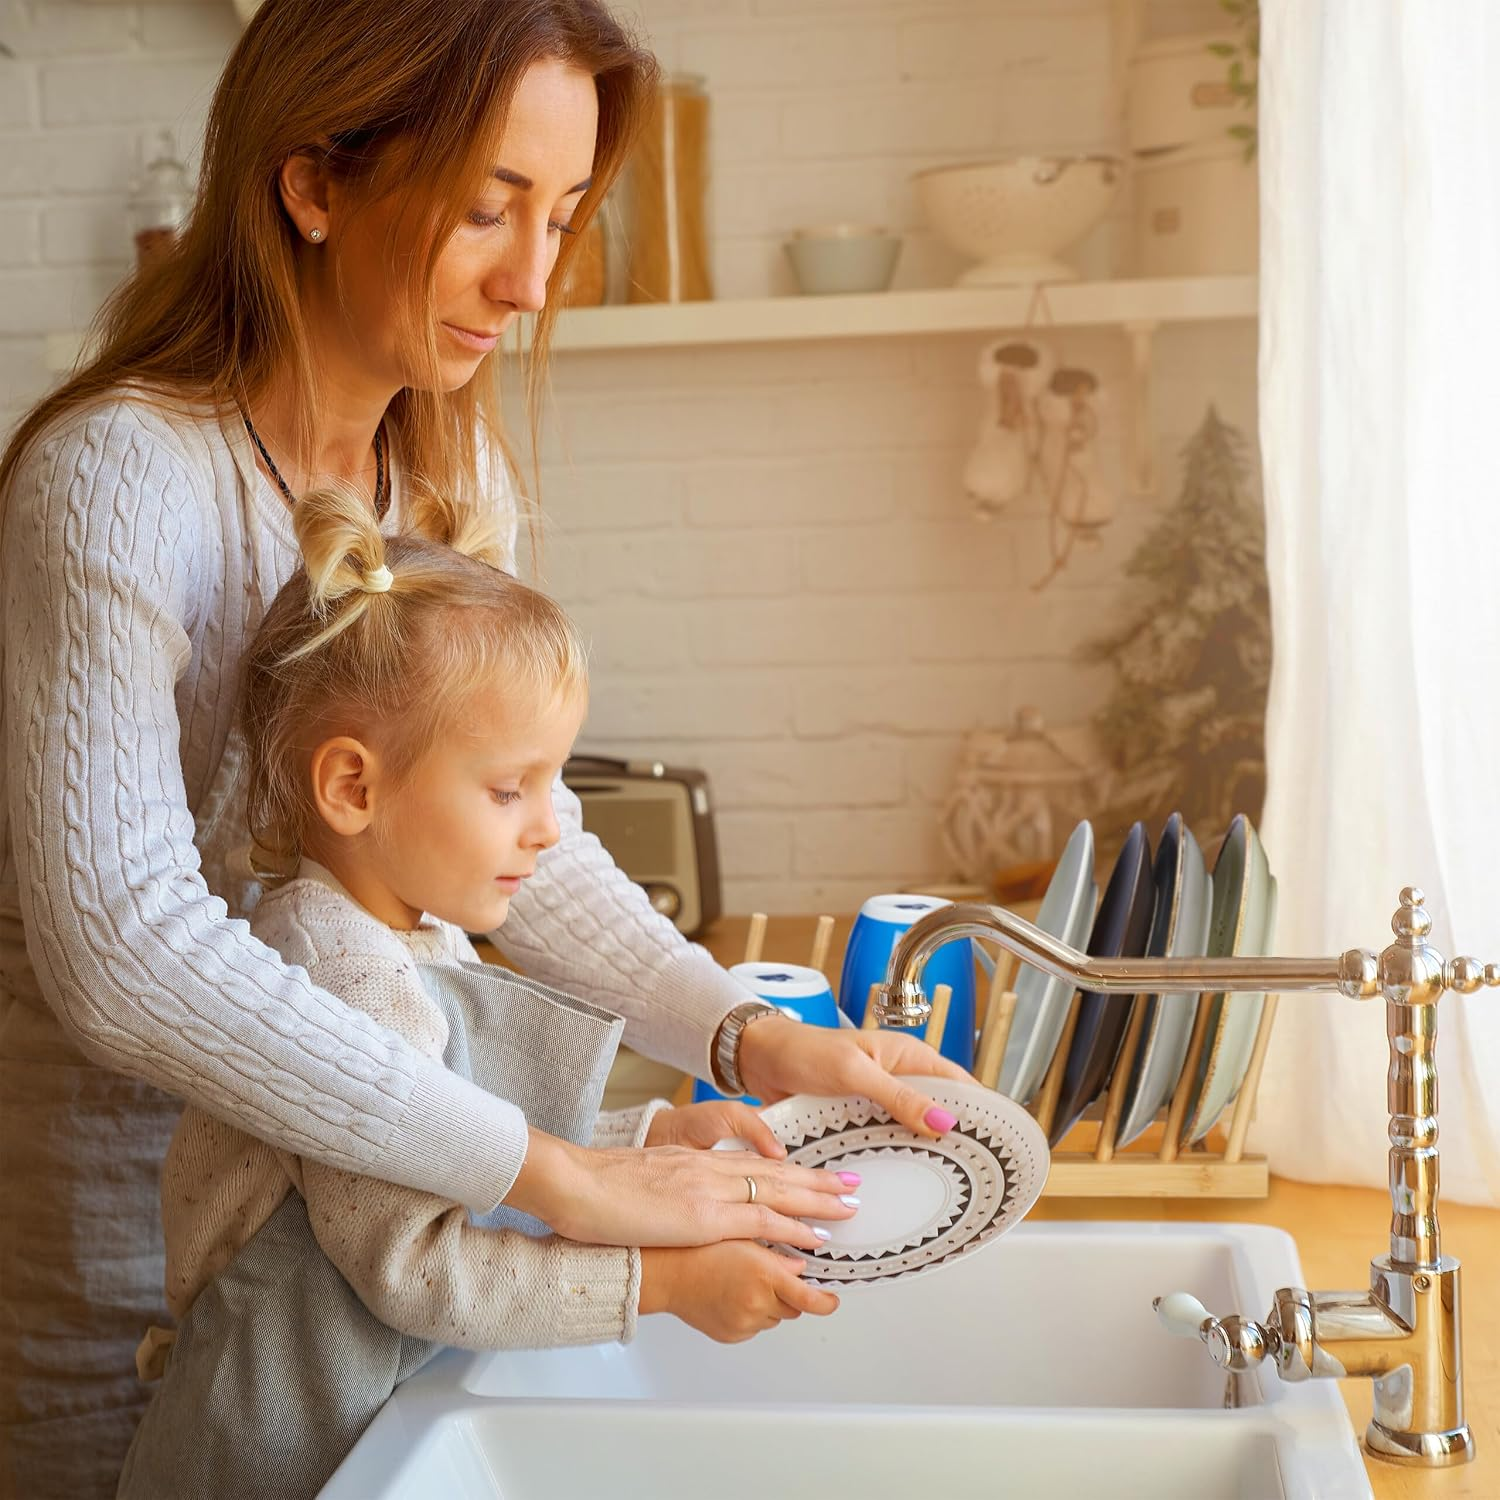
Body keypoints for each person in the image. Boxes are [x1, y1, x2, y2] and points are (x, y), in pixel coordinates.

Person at [0, 3, 967, 1493]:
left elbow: (521, 833)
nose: (529, 280)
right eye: (485, 209)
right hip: (113, 1214)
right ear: (313, 183)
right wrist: (556, 1174)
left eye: (564, 215)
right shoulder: (120, 479)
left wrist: (747, 1036)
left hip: (366, 1192)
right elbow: (127, 947)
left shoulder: (449, 479)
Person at [116, 484, 853, 1498]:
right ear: (353, 789)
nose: (550, 828)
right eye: (511, 790)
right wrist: (668, 1284)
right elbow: (423, 1266)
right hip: (273, 1455)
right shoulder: (345, 973)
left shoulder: (418, 928)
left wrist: (644, 1138)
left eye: (552, 784)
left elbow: (464, 1147)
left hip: (369, 1429)